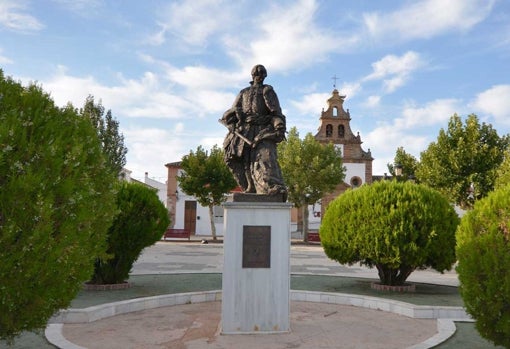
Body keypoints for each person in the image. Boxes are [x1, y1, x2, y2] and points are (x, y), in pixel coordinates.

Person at [221, 64, 287, 200]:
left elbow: (276, 114)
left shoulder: (267, 91)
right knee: (241, 159)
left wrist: (279, 126)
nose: (259, 76)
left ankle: (272, 187)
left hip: (262, 130)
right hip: (244, 130)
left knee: (265, 159)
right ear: (252, 76)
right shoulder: (243, 92)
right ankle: (249, 187)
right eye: (256, 74)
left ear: (265, 76)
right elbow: (231, 111)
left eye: (261, 74)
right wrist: (231, 121)